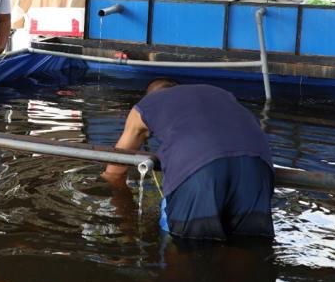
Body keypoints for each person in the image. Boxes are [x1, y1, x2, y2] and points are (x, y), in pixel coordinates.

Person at [103, 78, 274, 241]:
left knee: (186, 253)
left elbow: (115, 171)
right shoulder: (219, 93)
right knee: (251, 248)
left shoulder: (146, 105)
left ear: (149, 95)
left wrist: (127, 221)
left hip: (199, 166)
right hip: (258, 163)